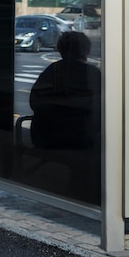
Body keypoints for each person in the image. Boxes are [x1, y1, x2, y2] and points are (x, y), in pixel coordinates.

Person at [28, 31, 101, 203]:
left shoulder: (52, 70)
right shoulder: (92, 74)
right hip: (77, 139)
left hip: (45, 136)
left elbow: (35, 102)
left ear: (60, 49)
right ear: (86, 50)